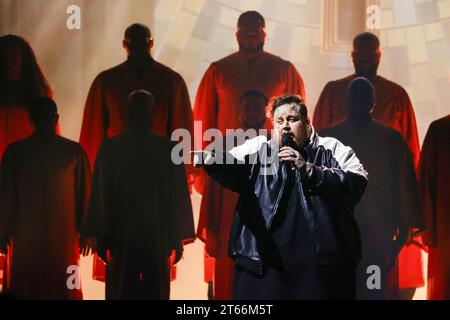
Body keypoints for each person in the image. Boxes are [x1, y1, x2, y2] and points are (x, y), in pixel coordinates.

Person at [195, 94, 368, 299]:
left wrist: (310, 171)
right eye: (279, 121)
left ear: (307, 122)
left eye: (291, 120)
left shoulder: (330, 148)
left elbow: (357, 181)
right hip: (266, 264)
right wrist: (211, 159)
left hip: (318, 266)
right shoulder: (260, 147)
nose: (285, 126)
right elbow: (233, 163)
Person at [79, 23, 194, 281]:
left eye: (142, 42)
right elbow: (93, 133)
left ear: (151, 43)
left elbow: (182, 131)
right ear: (125, 45)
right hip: (118, 180)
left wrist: (183, 178)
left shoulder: (170, 81)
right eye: (132, 42)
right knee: (120, 270)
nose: (138, 47)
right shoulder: (106, 82)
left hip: (159, 180)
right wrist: (90, 186)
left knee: (156, 272)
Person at [313, 32, 424, 293]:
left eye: (370, 53)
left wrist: (399, 236)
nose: (364, 58)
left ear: (374, 102)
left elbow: (406, 172)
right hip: (340, 230)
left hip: (376, 232)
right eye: (360, 53)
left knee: (371, 289)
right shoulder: (329, 134)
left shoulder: (393, 126)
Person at [83, 90, 195, 300]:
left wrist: (177, 237)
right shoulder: (113, 149)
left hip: (150, 234)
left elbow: (177, 196)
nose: (138, 117)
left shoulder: (116, 148)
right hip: (126, 235)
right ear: (127, 114)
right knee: (130, 291)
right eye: (135, 111)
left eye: (143, 111)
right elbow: (101, 193)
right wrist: (102, 235)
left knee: (141, 291)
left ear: (152, 114)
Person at [193, 10, 306, 194]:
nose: (252, 32)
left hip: (272, 160)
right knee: (227, 217)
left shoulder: (284, 70)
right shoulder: (219, 70)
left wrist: (298, 157)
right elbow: (203, 117)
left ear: (265, 34)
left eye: (257, 28)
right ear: (237, 34)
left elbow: (298, 120)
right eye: (247, 28)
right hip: (227, 160)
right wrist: (203, 164)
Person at [0, 97, 91, 299]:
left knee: (66, 288)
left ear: (55, 119)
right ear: (31, 120)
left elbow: (84, 193)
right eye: (38, 117)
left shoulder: (73, 153)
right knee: (25, 288)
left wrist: (87, 232)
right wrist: (2, 231)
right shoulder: (15, 154)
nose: (42, 122)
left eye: (46, 117)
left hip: (64, 239)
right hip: (25, 239)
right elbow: (6, 196)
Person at [197, 90, 269, 299]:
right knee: (228, 288)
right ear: (239, 112)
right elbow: (212, 193)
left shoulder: (277, 144)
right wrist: (210, 231)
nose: (253, 112)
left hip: (267, 230)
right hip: (228, 229)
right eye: (248, 107)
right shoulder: (222, 145)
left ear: (266, 112)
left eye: (257, 108)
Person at [419, 115, 450, 300]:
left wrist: (427, 229)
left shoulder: (439, 129)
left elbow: (426, 182)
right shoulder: (439, 130)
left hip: (445, 227)